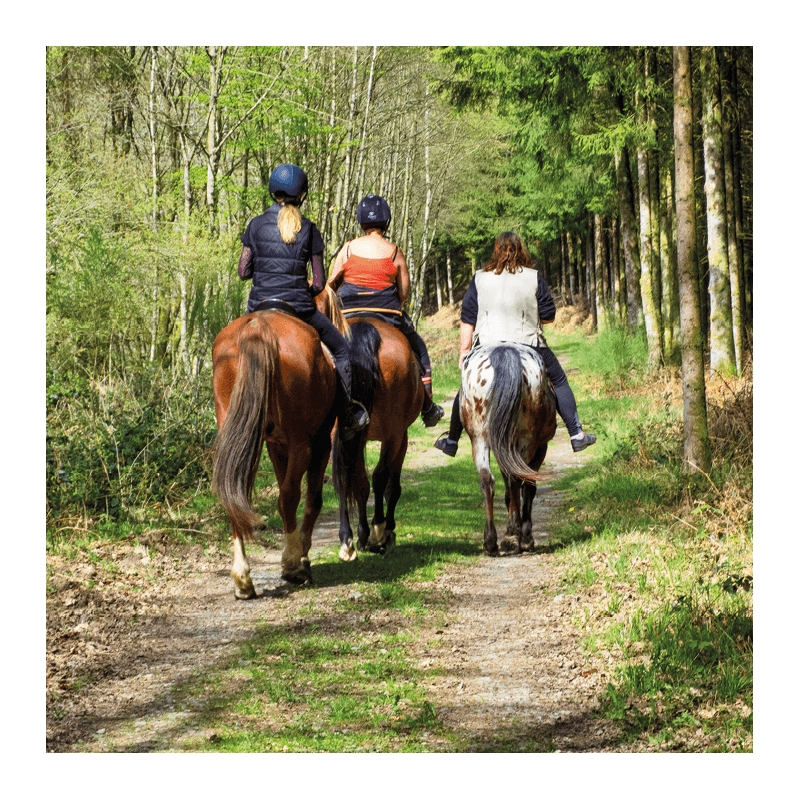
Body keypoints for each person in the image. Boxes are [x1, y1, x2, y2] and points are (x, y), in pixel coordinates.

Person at [434, 231, 596, 456]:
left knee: (466, 388)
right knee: (559, 379)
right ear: (521, 251)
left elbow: (468, 318)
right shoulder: (533, 277)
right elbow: (549, 315)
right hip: (528, 342)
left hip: (486, 344)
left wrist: (464, 351)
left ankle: (452, 440)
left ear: (496, 251)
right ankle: (576, 434)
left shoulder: (479, 278)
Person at [237, 163, 369, 440]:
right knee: (342, 349)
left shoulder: (255, 225)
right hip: (298, 307)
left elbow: (243, 271)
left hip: (258, 306)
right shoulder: (308, 228)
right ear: (302, 195)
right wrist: (299, 291)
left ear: (272, 191)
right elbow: (319, 282)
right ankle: (348, 415)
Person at [328, 194, 445, 427]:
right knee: (419, 348)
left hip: (348, 312)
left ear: (361, 221)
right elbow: (404, 292)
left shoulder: (347, 249)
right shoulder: (394, 251)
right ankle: (428, 406)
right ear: (386, 221)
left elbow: (331, 285)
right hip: (386, 313)